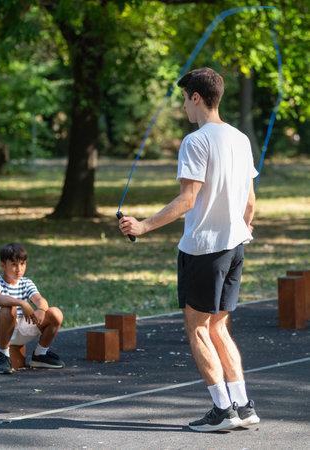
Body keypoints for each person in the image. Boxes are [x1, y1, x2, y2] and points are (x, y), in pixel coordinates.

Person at [118, 67, 260, 432]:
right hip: (234, 247)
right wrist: (244, 226)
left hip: (204, 250)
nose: (183, 106)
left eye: (184, 99)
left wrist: (143, 226)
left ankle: (222, 411)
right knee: (219, 328)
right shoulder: (241, 139)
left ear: (196, 97)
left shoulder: (195, 142)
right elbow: (250, 200)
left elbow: (187, 200)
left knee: (198, 329)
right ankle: (243, 406)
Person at [0, 242, 65, 374]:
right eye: (14, 264)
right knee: (9, 309)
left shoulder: (26, 282)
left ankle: (40, 355)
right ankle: (3, 356)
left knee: (55, 313)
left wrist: (41, 310)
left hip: (21, 329)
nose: (19, 269)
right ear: (3, 265)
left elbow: (40, 299)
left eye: (22, 264)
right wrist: (23, 303)